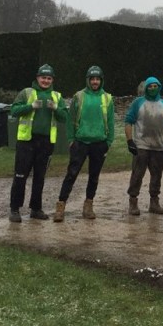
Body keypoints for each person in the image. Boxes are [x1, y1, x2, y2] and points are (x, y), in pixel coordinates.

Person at [8, 63, 68, 222]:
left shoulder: (57, 96)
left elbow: (64, 117)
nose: (46, 81)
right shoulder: (27, 92)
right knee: (20, 176)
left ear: (52, 80)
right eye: (43, 78)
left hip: (46, 142)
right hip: (26, 141)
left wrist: (56, 108)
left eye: (49, 78)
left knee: (40, 177)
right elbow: (14, 111)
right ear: (37, 78)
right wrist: (30, 107)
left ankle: (36, 209)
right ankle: (14, 209)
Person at [53, 65, 114, 222]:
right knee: (71, 174)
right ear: (88, 80)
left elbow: (111, 122)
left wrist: (108, 141)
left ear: (101, 81)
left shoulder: (107, 98)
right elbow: (70, 119)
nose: (95, 82)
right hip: (80, 142)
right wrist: (71, 140)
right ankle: (60, 206)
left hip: (99, 143)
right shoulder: (79, 96)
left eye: (97, 79)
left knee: (94, 176)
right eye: (92, 79)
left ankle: (88, 206)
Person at [124, 76, 163, 216]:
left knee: (157, 175)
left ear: (159, 87)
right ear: (146, 88)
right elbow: (128, 121)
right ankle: (133, 202)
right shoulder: (138, 103)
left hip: (159, 146)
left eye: (155, 86)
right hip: (141, 145)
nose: (152, 88)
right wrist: (129, 141)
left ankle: (154, 202)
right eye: (150, 86)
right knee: (137, 174)